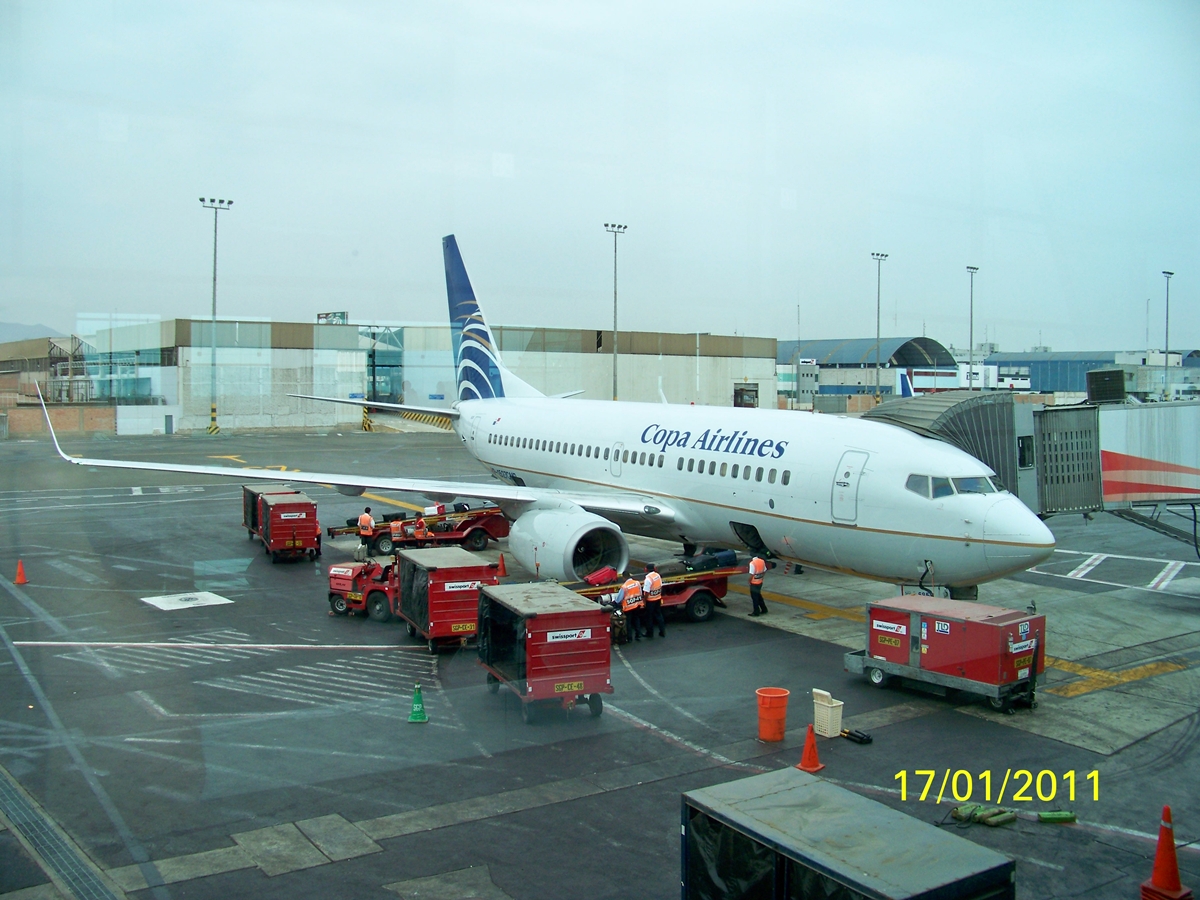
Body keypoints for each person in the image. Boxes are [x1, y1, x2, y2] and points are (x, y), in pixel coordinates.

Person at [616, 574, 645, 641]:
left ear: (624, 577)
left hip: (628, 607)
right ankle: (638, 635)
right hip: (637, 605)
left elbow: (618, 599)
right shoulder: (637, 583)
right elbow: (640, 593)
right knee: (636, 619)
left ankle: (629, 638)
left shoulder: (624, 587)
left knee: (628, 622)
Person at [642, 563, 665, 639]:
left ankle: (650, 633)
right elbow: (660, 586)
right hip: (658, 598)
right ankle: (662, 631)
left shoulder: (648, 579)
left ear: (646, 570)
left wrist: (644, 601)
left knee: (649, 617)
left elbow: (646, 591)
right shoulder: (657, 575)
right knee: (659, 615)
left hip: (650, 601)